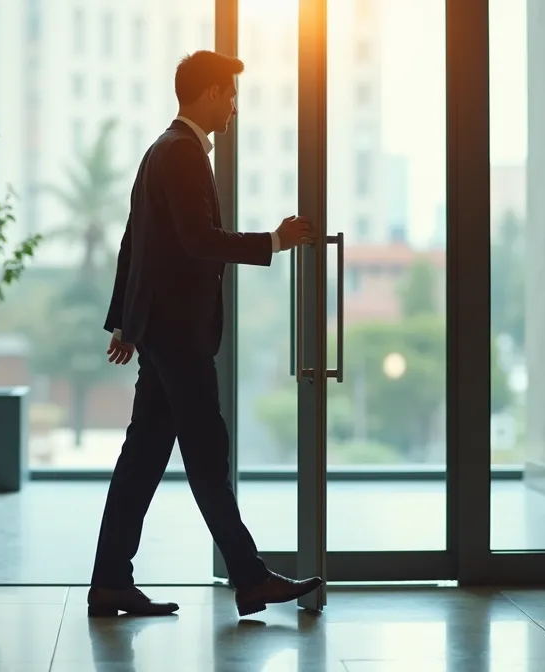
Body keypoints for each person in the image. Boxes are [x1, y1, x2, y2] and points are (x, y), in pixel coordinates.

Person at [87, 50, 322, 619]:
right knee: (206, 457)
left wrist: (126, 320)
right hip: (180, 337)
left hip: (162, 334)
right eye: (232, 94)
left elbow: (133, 243)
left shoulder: (160, 151)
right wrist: (274, 241)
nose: (236, 106)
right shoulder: (183, 154)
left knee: (143, 459)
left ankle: (112, 582)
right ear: (211, 93)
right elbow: (197, 240)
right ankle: (249, 578)